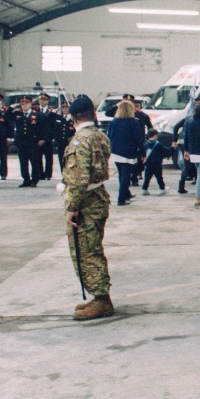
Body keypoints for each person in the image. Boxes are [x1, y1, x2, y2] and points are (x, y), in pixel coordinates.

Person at [62, 95, 115, 321]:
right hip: (98, 198)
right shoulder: (99, 135)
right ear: (93, 114)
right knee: (92, 248)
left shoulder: (80, 141)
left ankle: (102, 299)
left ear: (73, 117)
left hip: (86, 203)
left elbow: (79, 177)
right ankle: (99, 296)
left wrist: (71, 206)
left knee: (86, 251)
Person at [106, 100, 145, 206]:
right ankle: (121, 198)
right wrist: (142, 153)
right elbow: (139, 139)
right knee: (126, 177)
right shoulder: (133, 122)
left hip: (116, 151)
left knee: (121, 175)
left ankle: (126, 194)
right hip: (128, 152)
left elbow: (109, 136)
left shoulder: (114, 121)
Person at [13, 95, 45, 187]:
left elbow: (42, 128)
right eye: (22, 104)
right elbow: (7, 117)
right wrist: (12, 106)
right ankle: (26, 179)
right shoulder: (17, 114)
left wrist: (42, 139)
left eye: (26, 103)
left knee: (34, 162)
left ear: (31, 104)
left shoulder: (37, 115)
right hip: (21, 142)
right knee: (23, 162)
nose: (24, 105)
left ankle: (34, 179)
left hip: (33, 142)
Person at [141, 129, 174, 194]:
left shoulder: (146, 144)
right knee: (159, 177)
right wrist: (172, 148)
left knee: (147, 177)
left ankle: (144, 189)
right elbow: (166, 151)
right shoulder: (158, 144)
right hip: (157, 163)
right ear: (155, 135)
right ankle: (162, 188)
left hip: (148, 163)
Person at [36, 93, 56, 180]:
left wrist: (46, 139)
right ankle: (40, 174)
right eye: (41, 99)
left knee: (48, 158)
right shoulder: (35, 110)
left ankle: (48, 174)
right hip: (37, 138)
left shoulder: (52, 111)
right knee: (37, 157)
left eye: (44, 100)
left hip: (48, 138)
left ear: (47, 101)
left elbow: (53, 127)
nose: (42, 101)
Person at [53, 100, 76, 167]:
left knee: (71, 160)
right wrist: (54, 111)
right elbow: (48, 119)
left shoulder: (73, 118)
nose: (65, 109)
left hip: (70, 143)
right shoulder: (58, 118)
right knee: (61, 160)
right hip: (60, 143)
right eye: (63, 107)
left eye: (67, 107)